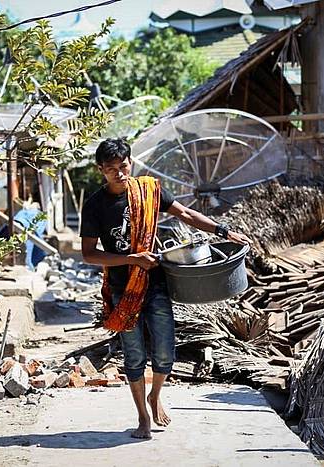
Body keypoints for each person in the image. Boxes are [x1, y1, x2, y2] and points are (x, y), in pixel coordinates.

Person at [80, 138, 250, 439]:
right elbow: (89, 254)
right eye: (111, 170)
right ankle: (143, 417)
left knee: (164, 349)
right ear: (100, 171)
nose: (119, 174)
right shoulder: (95, 205)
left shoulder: (149, 190)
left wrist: (223, 230)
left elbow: (185, 214)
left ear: (130, 162)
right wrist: (131, 258)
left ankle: (155, 395)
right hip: (123, 289)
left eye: (123, 166)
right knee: (133, 355)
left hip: (156, 283)